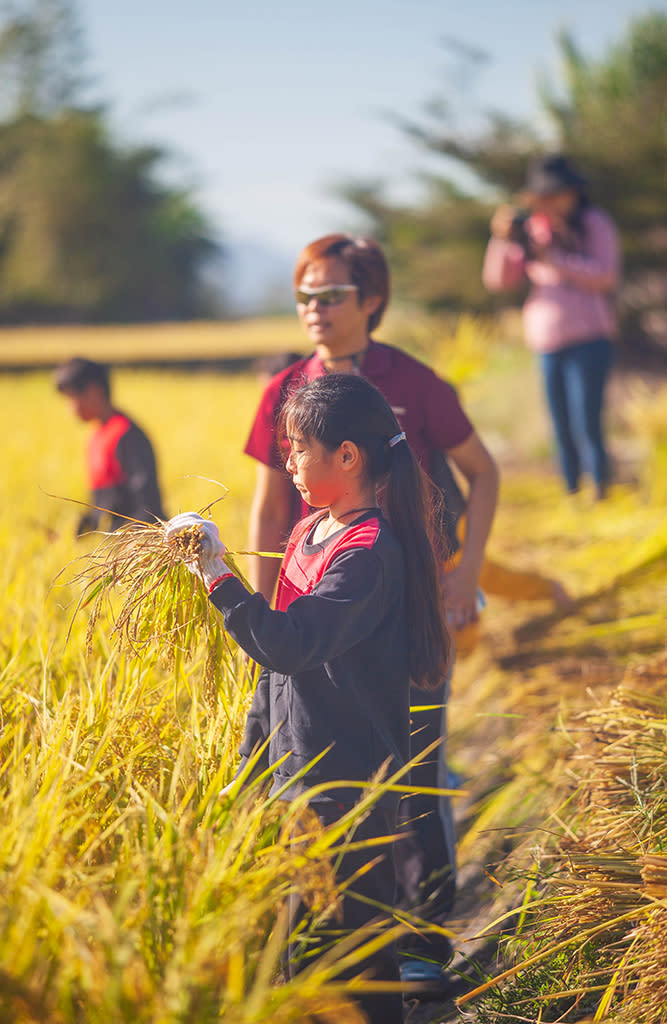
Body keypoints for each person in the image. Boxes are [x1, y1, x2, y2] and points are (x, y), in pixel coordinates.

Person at [243, 234, 500, 994]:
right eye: (304, 296)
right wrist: (266, 611)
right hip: (324, 609)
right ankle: (333, 950)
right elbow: (267, 503)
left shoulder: (412, 382)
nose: (314, 310)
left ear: (371, 301)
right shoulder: (285, 388)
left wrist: (466, 576)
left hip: (400, 607)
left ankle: (418, 945)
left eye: (331, 295)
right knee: (326, 775)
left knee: (414, 759)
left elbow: (480, 475)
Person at [165, 373, 452, 1024]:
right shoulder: (308, 536)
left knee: (354, 968)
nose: (287, 462)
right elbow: (277, 677)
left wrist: (216, 575)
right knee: (305, 962)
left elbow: (290, 643)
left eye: (296, 447)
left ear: (346, 455)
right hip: (300, 776)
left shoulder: (368, 554)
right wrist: (252, 764)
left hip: (349, 789)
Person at [483, 153, 621, 500]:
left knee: (587, 419)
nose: (550, 201)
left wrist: (554, 259)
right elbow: (498, 280)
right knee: (559, 423)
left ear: (574, 193)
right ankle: (572, 491)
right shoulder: (533, 231)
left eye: (557, 193)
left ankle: (600, 488)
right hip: (546, 340)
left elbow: (605, 275)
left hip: (590, 337)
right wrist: (503, 239)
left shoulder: (594, 223)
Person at [54, 357, 165, 534]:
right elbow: (104, 504)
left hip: (132, 545)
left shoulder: (126, 434)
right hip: (110, 544)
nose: (70, 408)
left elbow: (148, 504)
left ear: (94, 391)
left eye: (72, 398)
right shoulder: (96, 435)